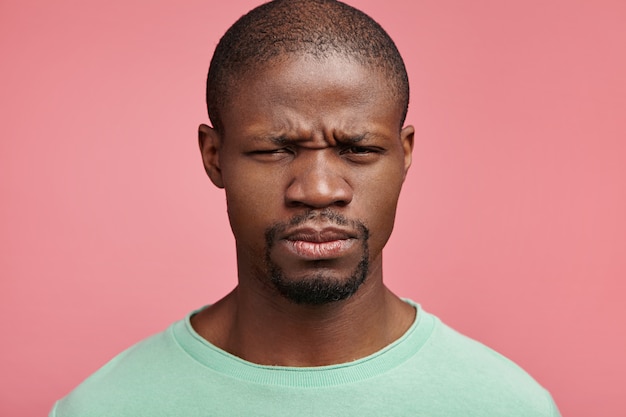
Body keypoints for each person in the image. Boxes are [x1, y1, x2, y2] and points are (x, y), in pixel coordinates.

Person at [50, 0, 560, 415]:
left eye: (358, 149)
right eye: (274, 149)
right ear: (214, 157)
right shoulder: (105, 407)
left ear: (404, 155)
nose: (317, 190)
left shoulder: (505, 405)